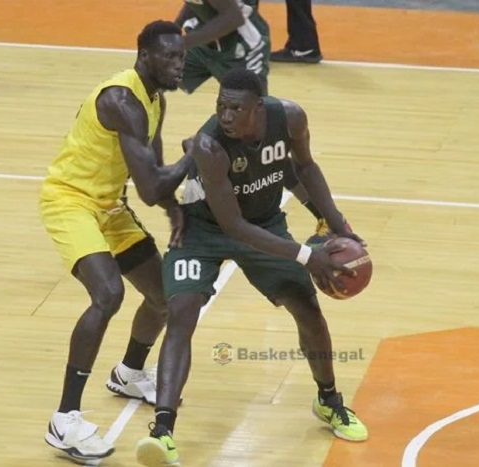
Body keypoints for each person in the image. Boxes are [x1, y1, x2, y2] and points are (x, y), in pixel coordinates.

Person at [134, 69, 368, 467]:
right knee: (182, 313)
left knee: (308, 308)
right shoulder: (209, 146)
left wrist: (338, 224)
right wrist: (308, 256)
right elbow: (233, 228)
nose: (225, 115)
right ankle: (163, 431)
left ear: (258, 108)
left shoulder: (290, 117)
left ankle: (329, 401)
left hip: (264, 222)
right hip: (202, 231)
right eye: (220, 106)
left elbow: (304, 169)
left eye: (235, 108)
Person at [38, 20, 192, 464]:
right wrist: (197, 154)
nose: (179, 64)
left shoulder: (154, 98)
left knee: (164, 296)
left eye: (181, 56)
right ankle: (64, 418)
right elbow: (150, 185)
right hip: (70, 201)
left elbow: (155, 172)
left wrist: (175, 210)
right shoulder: (123, 101)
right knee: (108, 294)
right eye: (170, 57)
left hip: (108, 206)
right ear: (145, 57)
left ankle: (127, 373)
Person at [173, 0, 343, 247]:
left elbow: (233, 17)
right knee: (160, 70)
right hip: (211, 44)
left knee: (264, 145)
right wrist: (173, 30)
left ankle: (328, 218)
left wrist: (185, 41)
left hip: (243, 46)